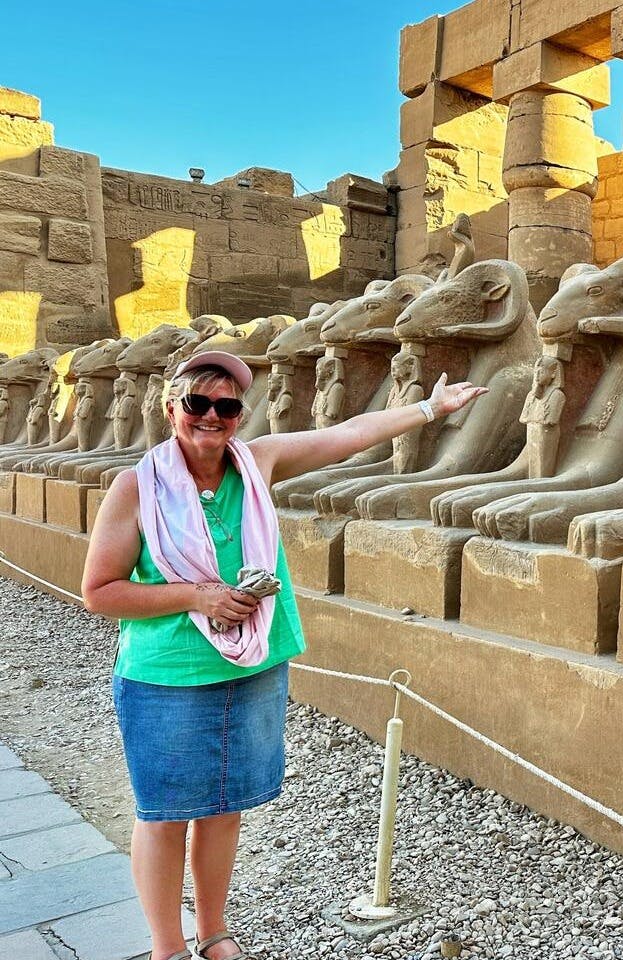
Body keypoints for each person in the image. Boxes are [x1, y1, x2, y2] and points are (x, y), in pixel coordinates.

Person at [81, 350, 485, 960]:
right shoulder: (136, 486)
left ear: (239, 417)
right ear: (172, 411)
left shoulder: (255, 463)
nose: (211, 417)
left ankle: (213, 930)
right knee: (164, 816)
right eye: (197, 404)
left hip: (255, 663)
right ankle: (168, 947)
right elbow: (100, 591)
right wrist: (198, 596)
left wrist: (430, 407)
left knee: (224, 807)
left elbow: (347, 436)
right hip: (168, 675)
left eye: (226, 406)